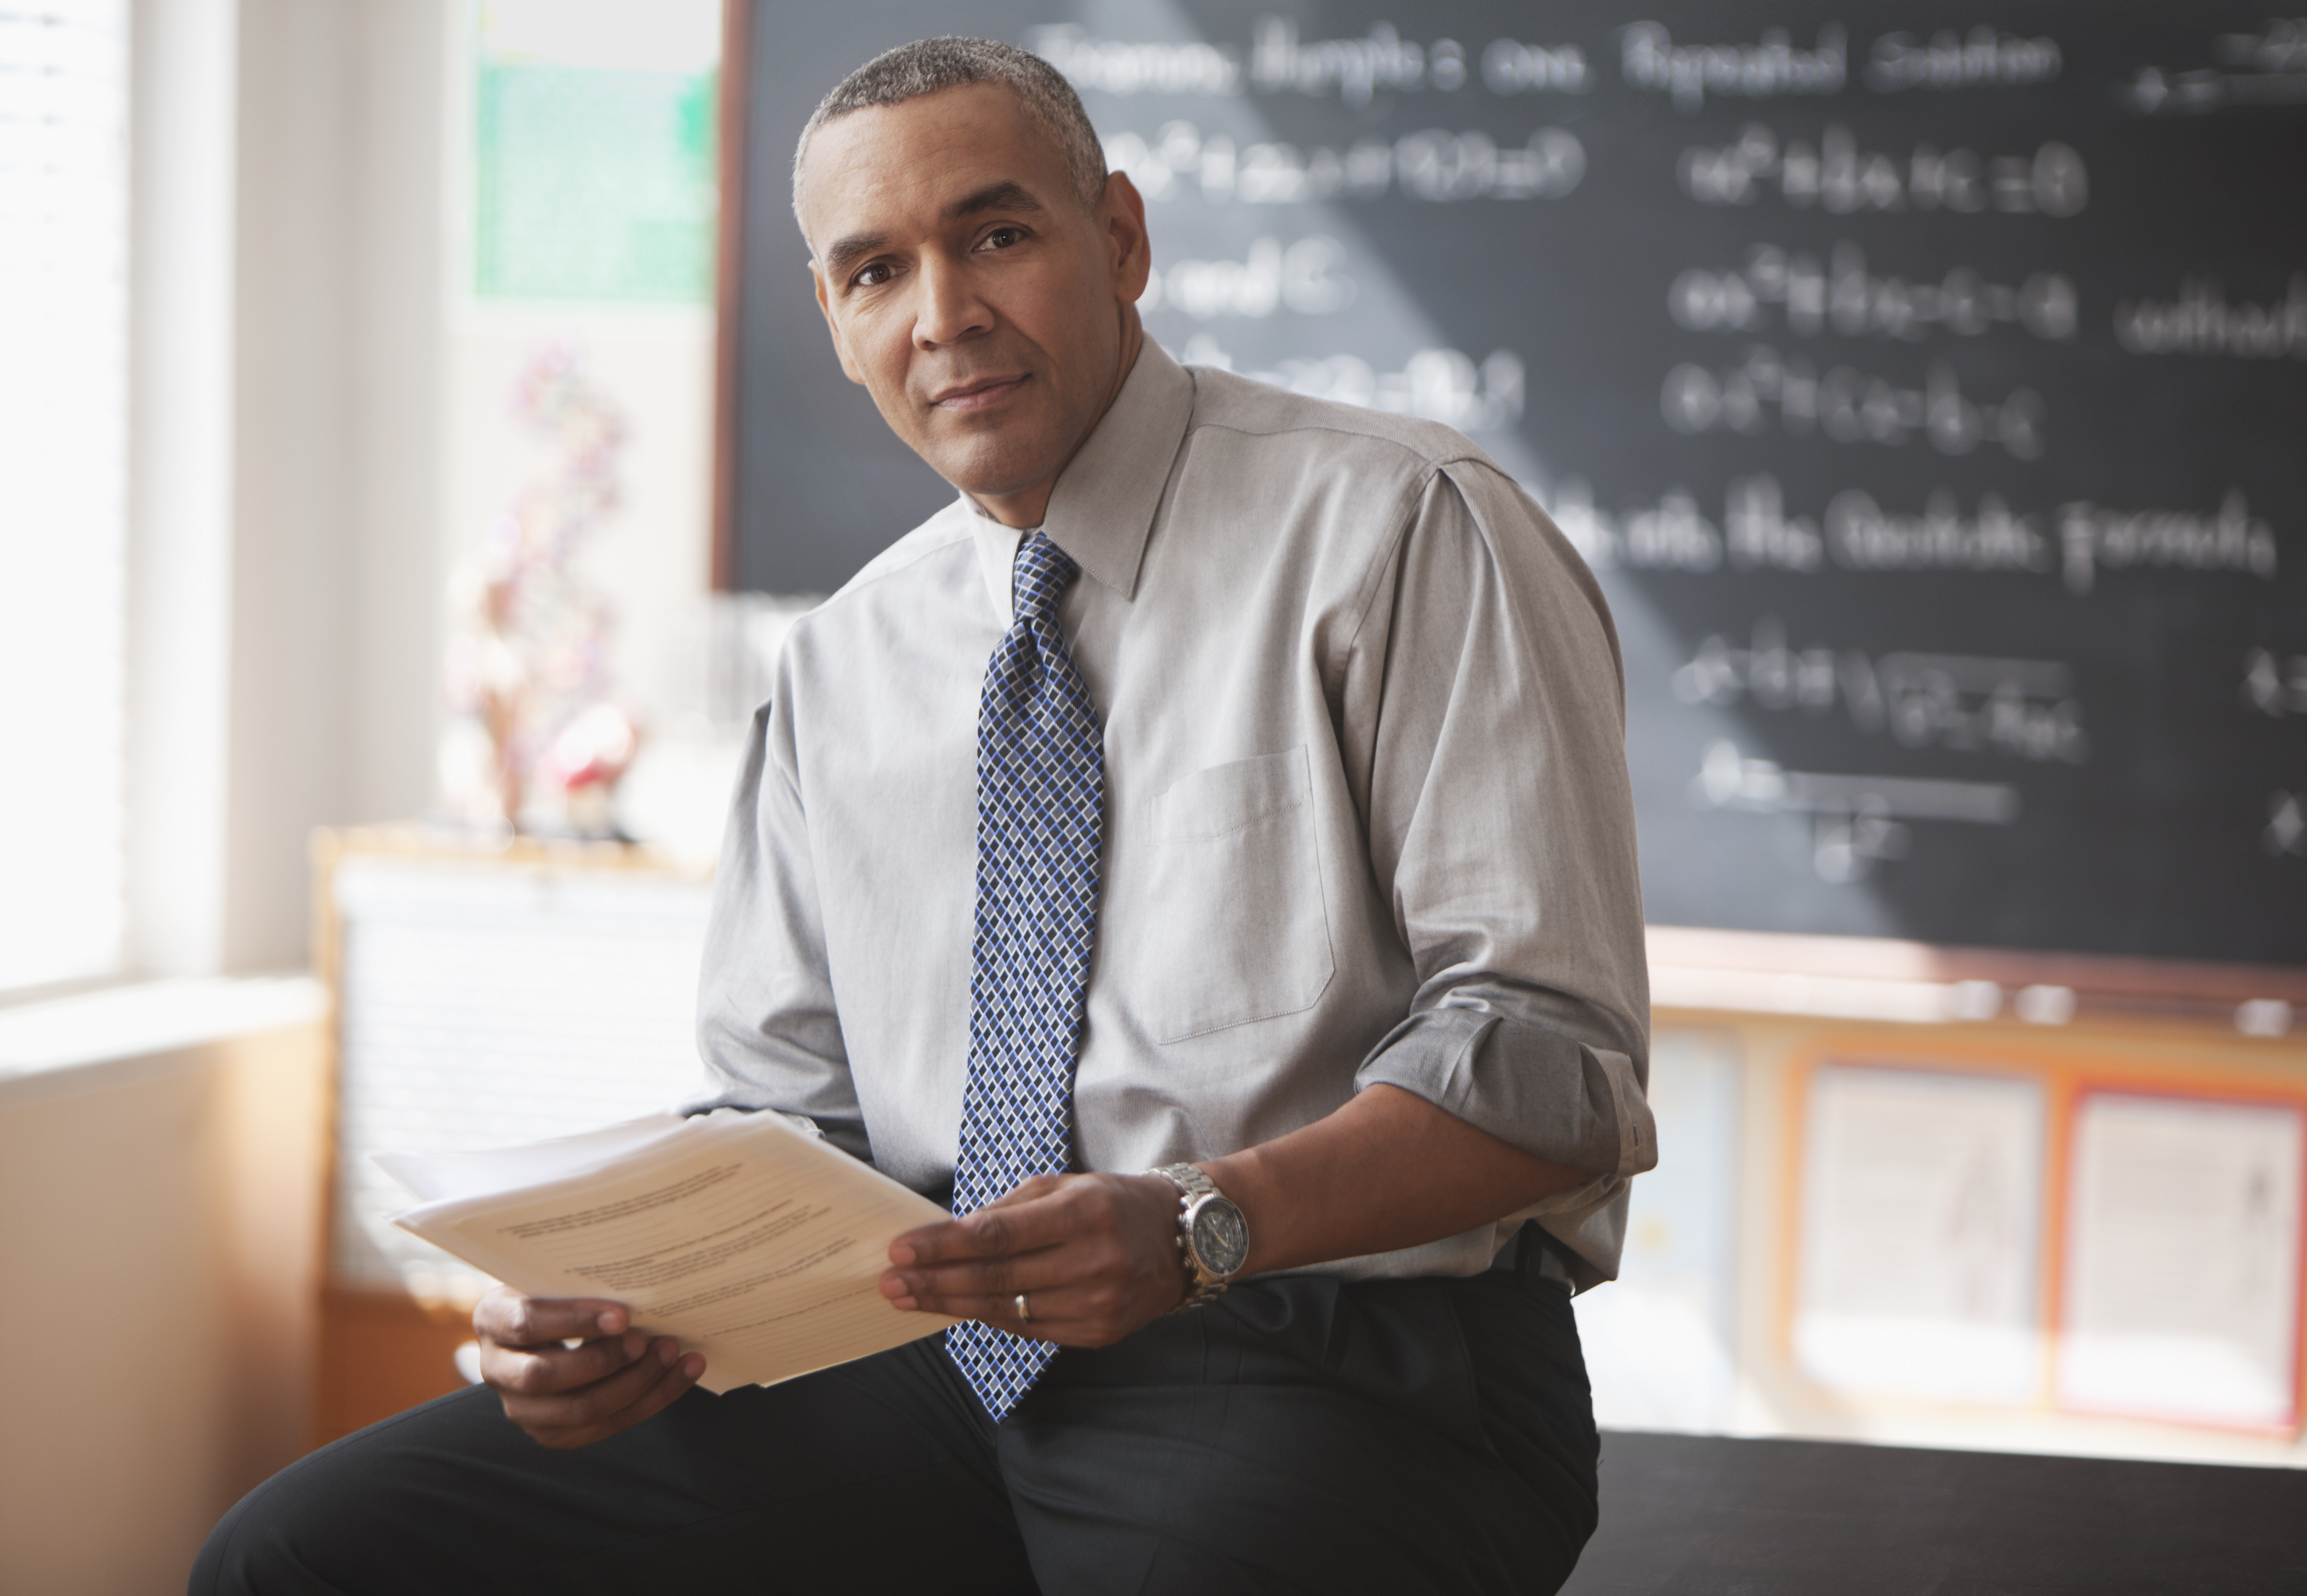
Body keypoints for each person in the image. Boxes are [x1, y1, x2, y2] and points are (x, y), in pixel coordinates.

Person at [194, 36, 1652, 1596]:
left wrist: (1193, 1224)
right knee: (296, 1555)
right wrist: (620, 1309)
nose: (945, 315)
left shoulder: (1404, 530)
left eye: (997, 236)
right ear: (835, 318)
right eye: (877, 270)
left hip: (1324, 1345)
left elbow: (1554, 1059)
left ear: (1123, 240)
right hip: (928, 1356)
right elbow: (789, 1120)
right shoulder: (841, 666)